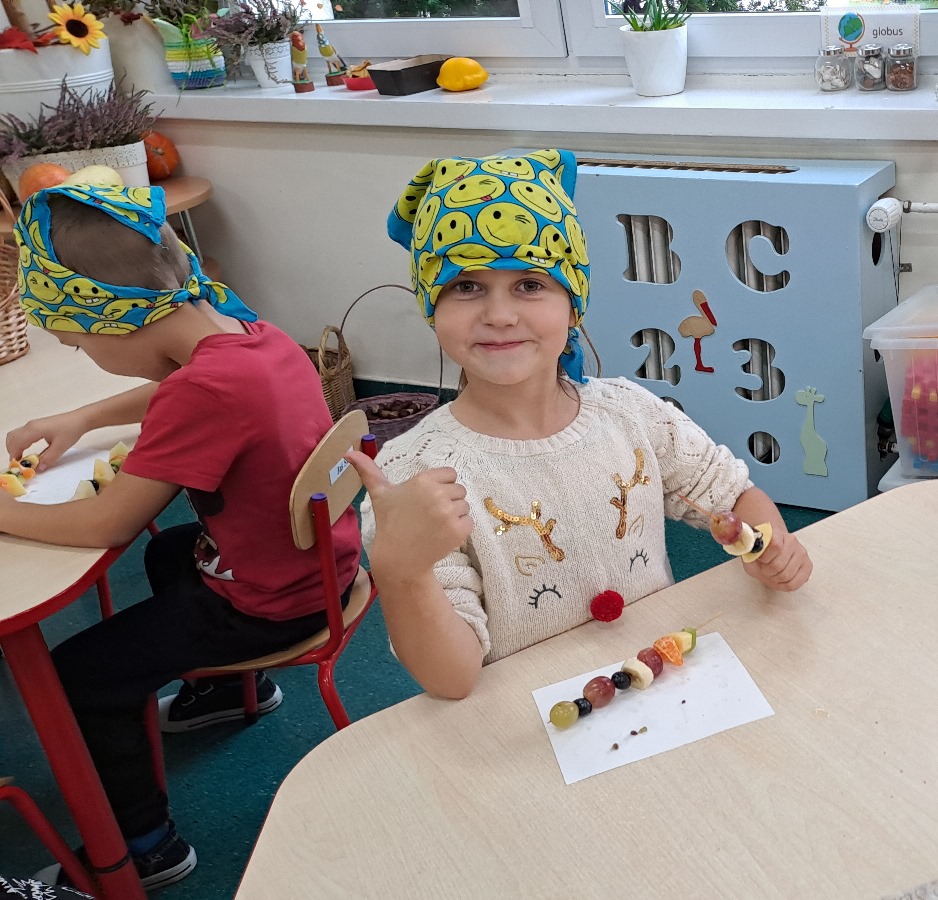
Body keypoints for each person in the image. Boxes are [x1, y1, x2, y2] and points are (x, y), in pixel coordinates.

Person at [349, 150, 812, 700]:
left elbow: (731, 494)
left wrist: (771, 548)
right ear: (432, 307)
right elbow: (451, 678)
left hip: (661, 688)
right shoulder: (415, 476)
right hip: (531, 718)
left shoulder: (630, 412)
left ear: (573, 304)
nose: (500, 315)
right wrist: (401, 570)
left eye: (529, 285)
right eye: (466, 286)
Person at [0, 185, 361, 889]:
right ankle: (225, 694)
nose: (80, 352)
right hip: (322, 563)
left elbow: (106, 523)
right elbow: (184, 385)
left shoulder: (206, 392)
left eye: (79, 343)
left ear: (111, 322)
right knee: (171, 551)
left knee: (81, 672)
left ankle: (145, 847)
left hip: (274, 602)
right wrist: (81, 418)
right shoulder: (252, 334)